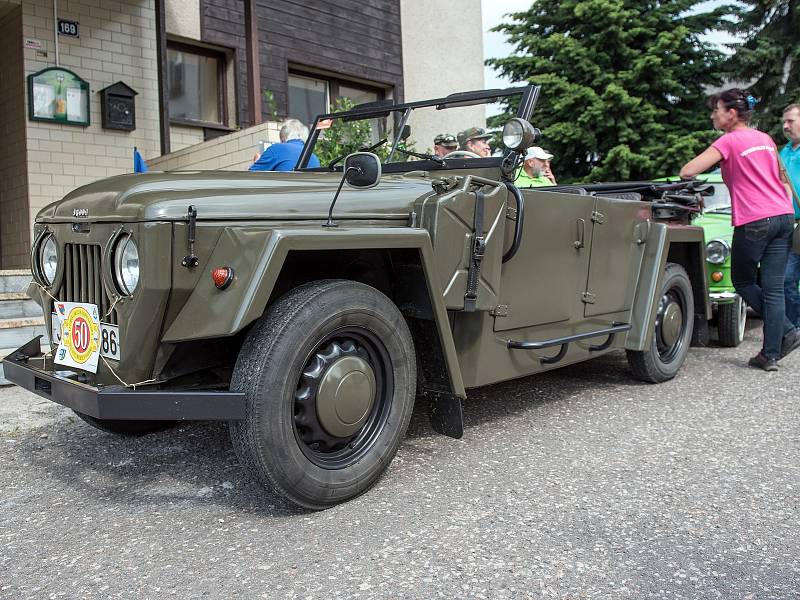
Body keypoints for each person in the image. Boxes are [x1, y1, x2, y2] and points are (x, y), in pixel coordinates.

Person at [680, 88, 800, 371]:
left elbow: (688, 171)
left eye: (716, 110)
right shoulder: (766, 139)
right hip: (783, 216)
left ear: (731, 114)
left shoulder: (729, 141)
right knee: (773, 288)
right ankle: (770, 355)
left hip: (754, 220)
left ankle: (787, 329)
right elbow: (782, 178)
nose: (713, 115)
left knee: (743, 281)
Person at [781, 104, 800, 327]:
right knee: (786, 280)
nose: (786, 126)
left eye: (791, 121)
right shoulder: (783, 152)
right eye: (784, 122)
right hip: (788, 224)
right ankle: (794, 327)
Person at [250, 118, 320, 171]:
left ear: (283, 136)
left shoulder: (276, 149)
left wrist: (257, 161)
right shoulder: (314, 158)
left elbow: (250, 176)